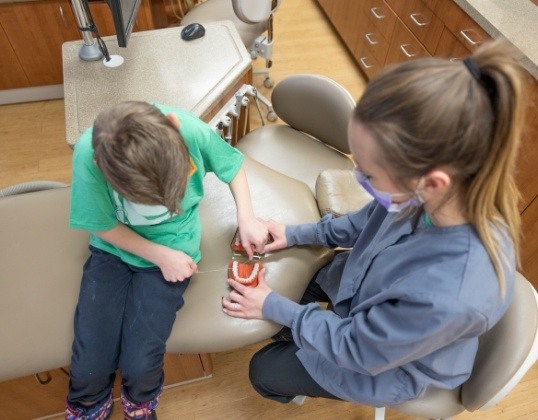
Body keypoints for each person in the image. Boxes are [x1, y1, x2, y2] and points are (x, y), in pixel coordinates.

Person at [222, 40, 526, 407]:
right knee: (290, 291)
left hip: (385, 365)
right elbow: (365, 222)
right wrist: (294, 234)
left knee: (264, 370)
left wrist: (276, 307)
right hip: (365, 299)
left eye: (369, 176)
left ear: (431, 182)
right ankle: (302, 332)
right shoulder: (429, 196)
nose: (359, 179)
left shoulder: (449, 294)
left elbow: (357, 348)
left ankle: (296, 354)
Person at [66, 101, 268, 419]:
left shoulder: (188, 129)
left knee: (140, 363)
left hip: (175, 249)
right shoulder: (89, 156)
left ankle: (140, 404)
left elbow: (233, 166)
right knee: (89, 366)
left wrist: (247, 217)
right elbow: (101, 224)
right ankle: (89, 404)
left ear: (173, 125)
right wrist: (160, 255)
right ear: (100, 165)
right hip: (114, 251)